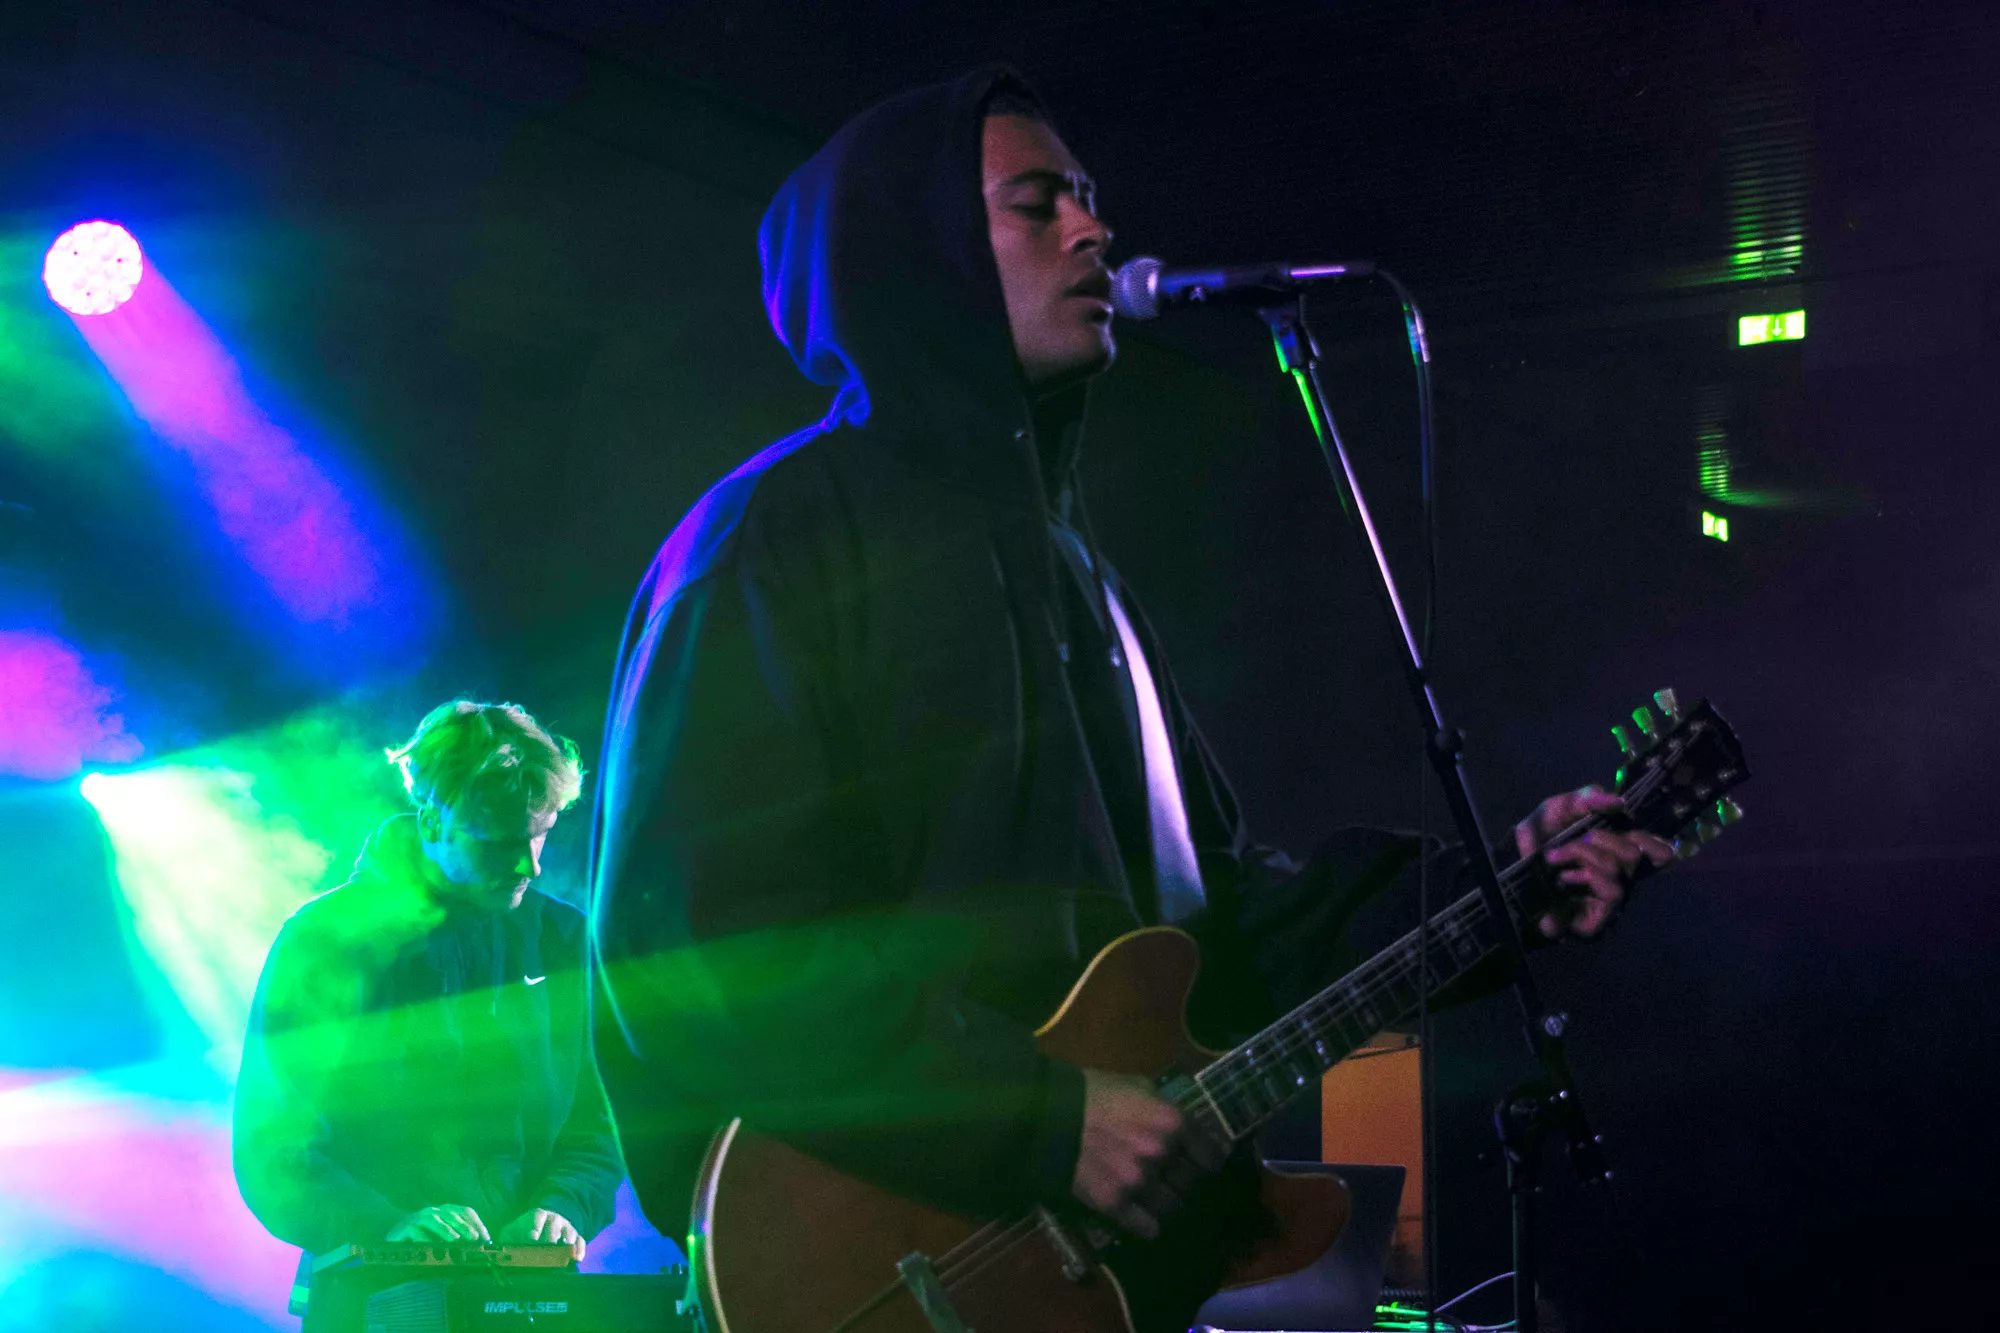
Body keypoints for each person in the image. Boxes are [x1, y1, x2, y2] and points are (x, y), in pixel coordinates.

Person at [588, 64, 1669, 1281]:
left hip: (1071, 1276)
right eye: (1036, 204)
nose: (1093, 230)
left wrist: (1494, 894)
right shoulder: (773, 542)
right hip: (877, 1266)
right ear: (913, 255)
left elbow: (1222, 926)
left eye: (1089, 199)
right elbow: (700, 954)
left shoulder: (1081, 581)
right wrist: (1041, 1124)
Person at [234, 700, 623, 1324]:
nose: (530, 864)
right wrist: (386, 1225)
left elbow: (600, 1123)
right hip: (371, 1301)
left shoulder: (566, 940)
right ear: (434, 818)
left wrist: (564, 1205)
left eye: (541, 833)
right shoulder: (327, 940)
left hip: (530, 1302)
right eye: (498, 841)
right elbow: (272, 1147)